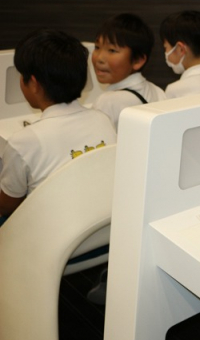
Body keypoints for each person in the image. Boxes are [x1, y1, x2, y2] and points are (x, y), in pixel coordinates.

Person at [0, 29, 116, 221]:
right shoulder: (102, 120)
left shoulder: (23, 142)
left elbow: (7, 205)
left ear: (34, 83)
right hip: (102, 228)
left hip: (49, 233)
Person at [91, 13, 166, 130]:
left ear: (138, 60)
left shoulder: (107, 102)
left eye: (112, 50)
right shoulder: (157, 91)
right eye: (97, 47)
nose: (99, 58)